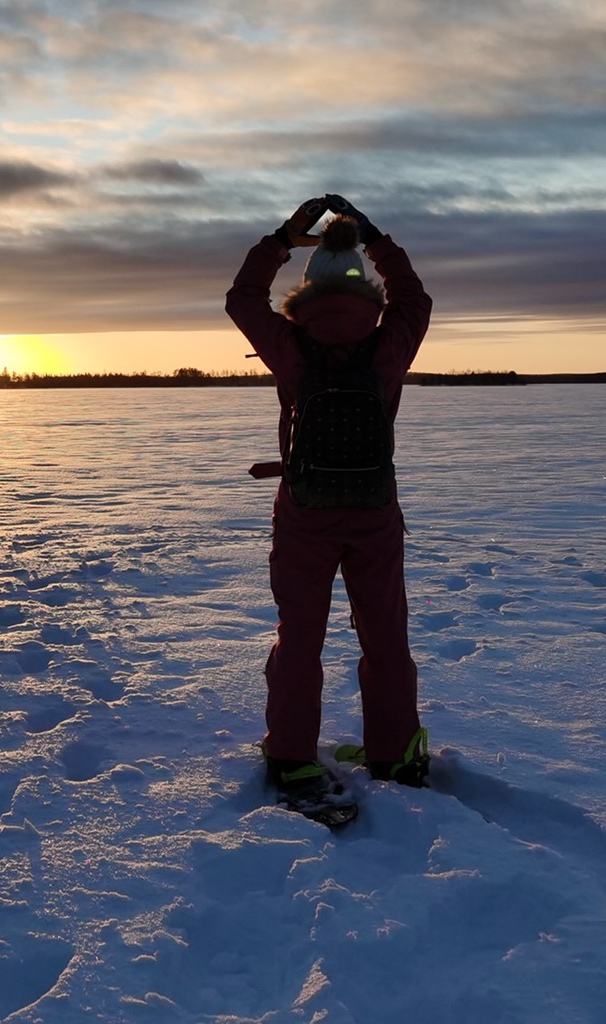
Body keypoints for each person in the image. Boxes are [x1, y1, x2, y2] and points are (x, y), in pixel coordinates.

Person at [226, 193, 433, 806]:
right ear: (367, 291)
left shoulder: (291, 345)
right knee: (385, 636)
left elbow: (242, 299)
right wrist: (375, 239)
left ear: (306, 293)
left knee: (301, 636)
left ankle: (291, 756)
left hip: (305, 513)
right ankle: (394, 756)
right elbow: (415, 298)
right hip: (374, 510)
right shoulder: (389, 341)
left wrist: (284, 238)